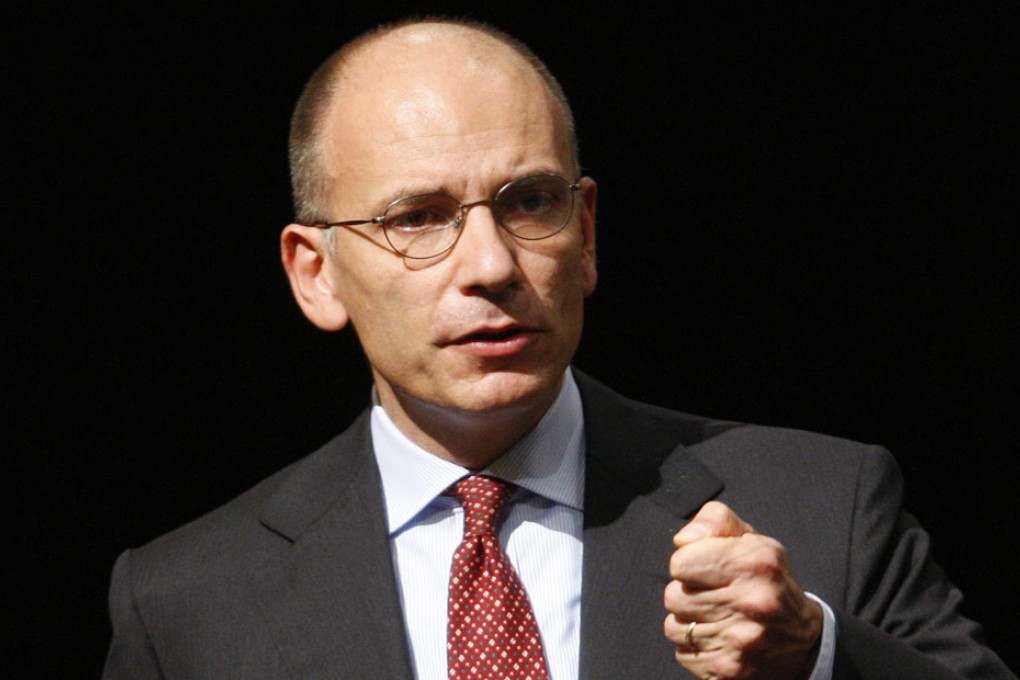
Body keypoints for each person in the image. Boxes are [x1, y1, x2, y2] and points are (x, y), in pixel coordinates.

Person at [102, 17, 1015, 680]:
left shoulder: (823, 507)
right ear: (316, 275)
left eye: (530, 203)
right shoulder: (186, 603)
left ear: (586, 232)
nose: (492, 265)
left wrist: (816, 656)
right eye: (417, 218)